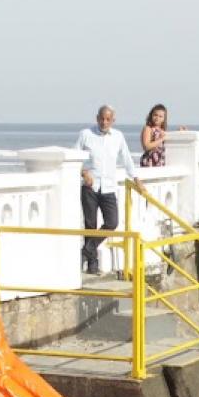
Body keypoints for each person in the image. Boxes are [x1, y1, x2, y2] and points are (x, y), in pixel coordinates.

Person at [74, 105, 137, 275]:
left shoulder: (118, 136)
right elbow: (73, 158)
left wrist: (136, 179)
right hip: (90, 186)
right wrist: (83, 172)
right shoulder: (85, 134)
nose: (104, 122)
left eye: (108, 119)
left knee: (112, 222)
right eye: (102, 118)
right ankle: (92, 264)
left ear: (113, 120)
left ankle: (86, 250)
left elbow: (127, 158)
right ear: (97, 118)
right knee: (90, 225)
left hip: (108, 187)